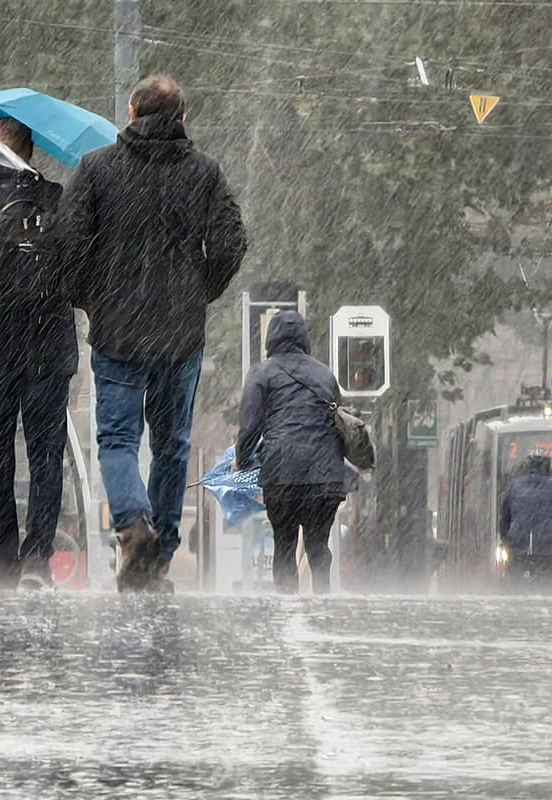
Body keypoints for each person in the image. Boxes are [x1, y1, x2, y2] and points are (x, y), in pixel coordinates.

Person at [59, 74, 247, 586]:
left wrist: (90, 297)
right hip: (180, 335)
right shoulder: (205, 173)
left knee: (118, 437)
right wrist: (198, 291)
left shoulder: (96, 169)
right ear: (182, 119)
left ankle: (131, 523)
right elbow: (232, 242)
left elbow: (68, 241)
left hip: (117, 328)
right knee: (173, 443)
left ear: (132, 114)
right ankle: (160, 550)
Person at [0, 117, 77, 591]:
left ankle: (4, 561)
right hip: (48, 346)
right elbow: (78, 267)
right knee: (47, 455)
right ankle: (37, 561)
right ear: (32, 150)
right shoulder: (58, 199)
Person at [235, 311, 347, 594]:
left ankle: (286, 606)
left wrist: (244, 461)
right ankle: (323, 600)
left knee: (284, 543)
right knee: (318, 544)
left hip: (282, 474)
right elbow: (338, 423)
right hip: (325, 477)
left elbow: (249, 427)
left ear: (271, 338)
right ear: (303, 338)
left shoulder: (261, 374)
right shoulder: (325, 374)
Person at [498, 452, 552, 589]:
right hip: (546, 547)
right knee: (549, 585)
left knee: (513, 584)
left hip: (518, 546)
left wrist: (506, 540)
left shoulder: (514, 487)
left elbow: (504, 518)